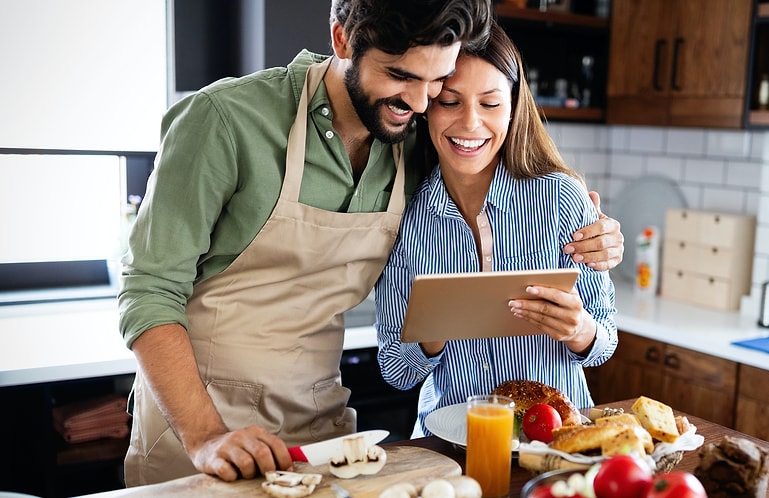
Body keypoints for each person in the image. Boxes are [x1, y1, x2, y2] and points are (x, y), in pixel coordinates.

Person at [119, 0, 623, 487]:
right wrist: (206, 436)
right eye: (403, 76)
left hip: (321, 426)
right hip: (205, 427)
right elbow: (149, 290)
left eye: (436, 81)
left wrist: (603, 241)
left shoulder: (411, 141)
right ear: (341, 39)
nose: (423, 103)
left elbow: (485, 161)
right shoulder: (224, 120)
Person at [375, 21, 617, 438]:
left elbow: (605, 340)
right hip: (452, 443)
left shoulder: (561, 198)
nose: (470, 124)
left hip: (557, 441)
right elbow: (396, 372)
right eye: (450, 102)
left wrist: (580, 330)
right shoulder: (405, 217)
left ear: (512, 108)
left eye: (489, 104)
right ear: (427, 107)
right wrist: (436, 330)